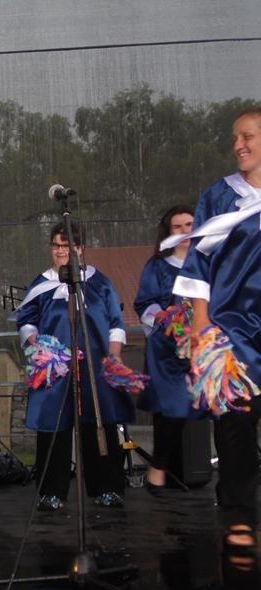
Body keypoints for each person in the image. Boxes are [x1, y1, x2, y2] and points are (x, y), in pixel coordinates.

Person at [171, 108, 261, 557]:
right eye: (234, 138)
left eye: (247, 136)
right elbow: (199, 263)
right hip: (233, 328)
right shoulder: (220, 196)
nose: (238, 145)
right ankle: (239, 514)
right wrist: (201, 322)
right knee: (235, 422)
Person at [15, 220, 134, 511]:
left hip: (94, 366)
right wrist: (37, 344)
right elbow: (26, 321)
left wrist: (114, 355)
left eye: (67, 245)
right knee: (53, 425)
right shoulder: (41, 284)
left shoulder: (100, 283)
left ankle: (106, 487)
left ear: (80, 248)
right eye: (56, 245)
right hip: (54, 369)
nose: (61, 251)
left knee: (99, 423)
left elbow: (115, 323)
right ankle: (51, 491)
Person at [132, 205, 195, 494]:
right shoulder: (157, 266)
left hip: (202, 347)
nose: (184, 231)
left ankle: (180, 472)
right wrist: (165, 317)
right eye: (177, 227)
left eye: (189, 225)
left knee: (212, 408)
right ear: (168, 232)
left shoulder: (208, 263)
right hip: (167, 350)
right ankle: (158, 468)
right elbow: (145, 304)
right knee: (172, 407)